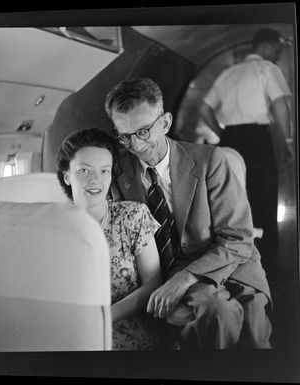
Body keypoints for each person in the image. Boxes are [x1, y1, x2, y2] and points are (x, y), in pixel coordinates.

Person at [105, 77, 272, 349]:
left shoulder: (210, 161)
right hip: (171, 267)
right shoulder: (115, 173)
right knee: (220, 314)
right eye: (124, 135)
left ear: (165, 123)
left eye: (144, 131)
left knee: (255, 330)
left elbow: (238, 238)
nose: (135, 145)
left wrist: (186, 279)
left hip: (232, 259)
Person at [199, 28, 295, 278]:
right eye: (277, 47)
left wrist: (222, 136)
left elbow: (204, 109)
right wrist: (288, 140)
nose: (278, 52)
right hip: (257, 140)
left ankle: (231, 265)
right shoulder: (267, 69)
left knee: (231, 203)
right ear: (265, 46)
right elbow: (279, 104)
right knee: (264, 202)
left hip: (229, 141)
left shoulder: (228, 73)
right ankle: (266, 269)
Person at [55, 127, 162, 350]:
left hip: (127, 336)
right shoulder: (53, 227)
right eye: (84, 170)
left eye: (104, 171)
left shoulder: (133, 215)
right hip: (70, 336)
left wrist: (103, 318)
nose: (96, 180)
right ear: (67, 176)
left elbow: (153, 283)